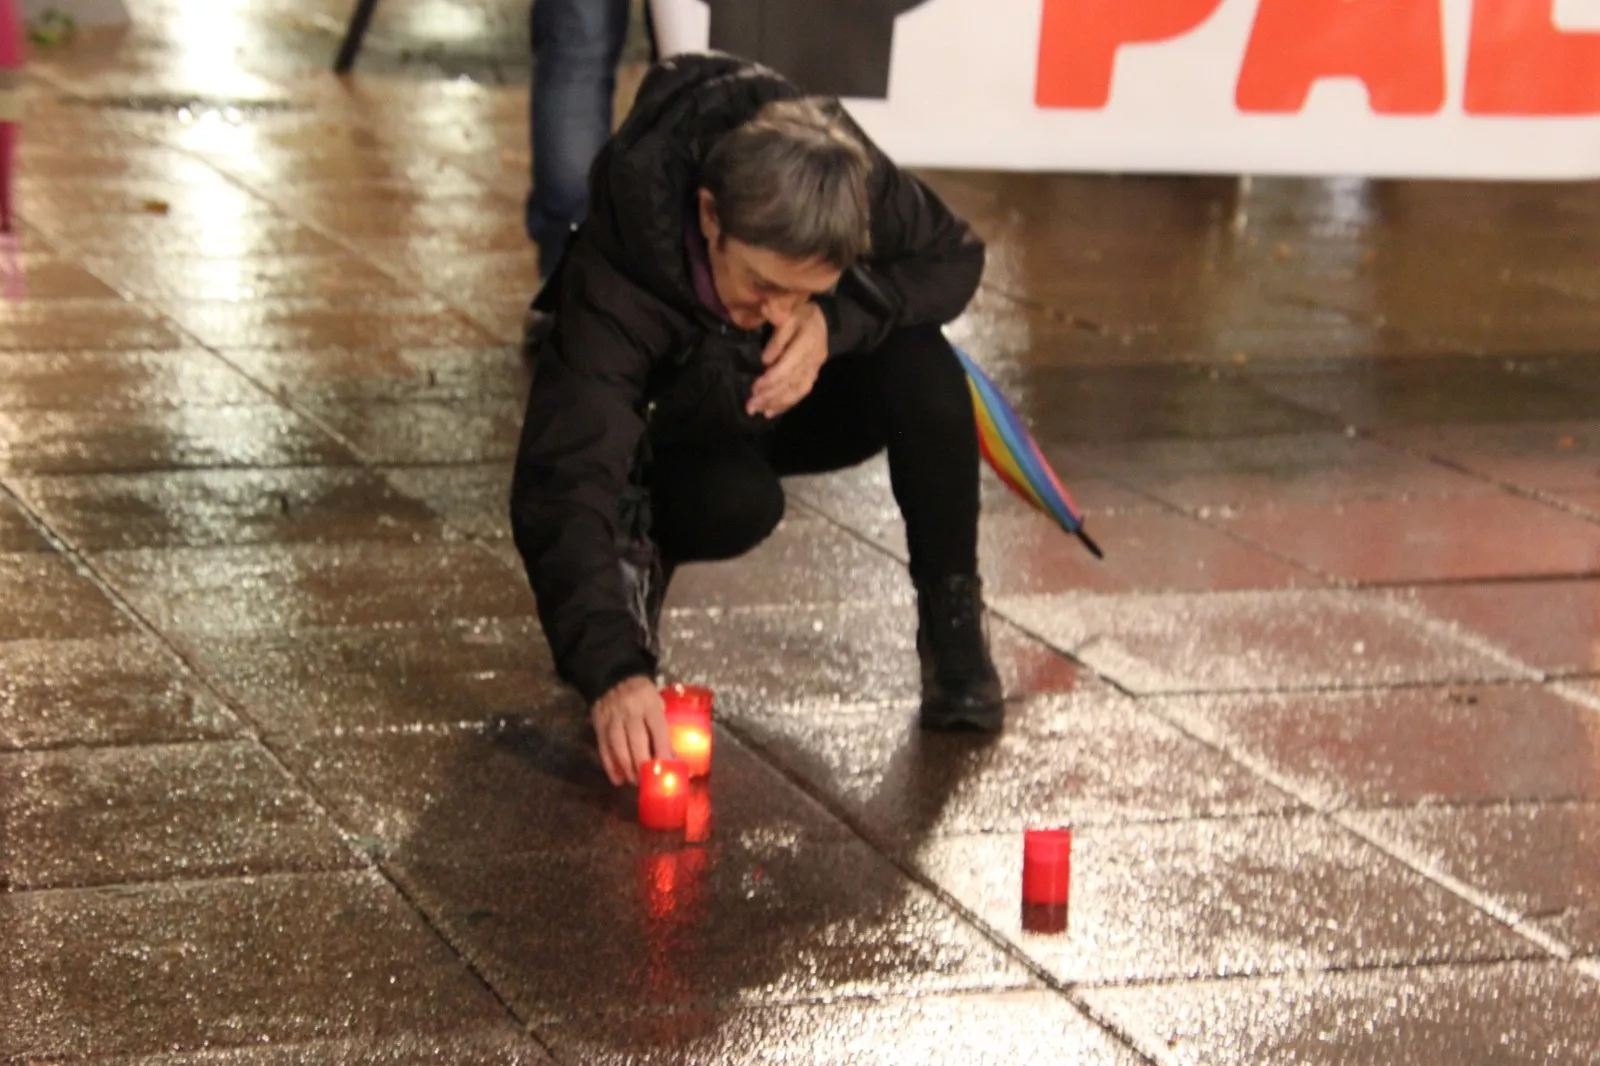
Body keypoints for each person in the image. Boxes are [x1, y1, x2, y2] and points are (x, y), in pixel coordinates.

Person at [509, 51, 1001, 788]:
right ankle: (639, 553)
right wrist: (610, 668)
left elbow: (954, 255)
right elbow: (564, 471)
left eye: (800, 291)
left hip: (777, 400)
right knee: (735, 504)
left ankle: (953, 622)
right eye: (763, 285)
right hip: (678, 436)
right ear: (710, 216)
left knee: (926, 366)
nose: (775, 313)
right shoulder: (622, 265)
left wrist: (831, 322)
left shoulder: (846, 171)